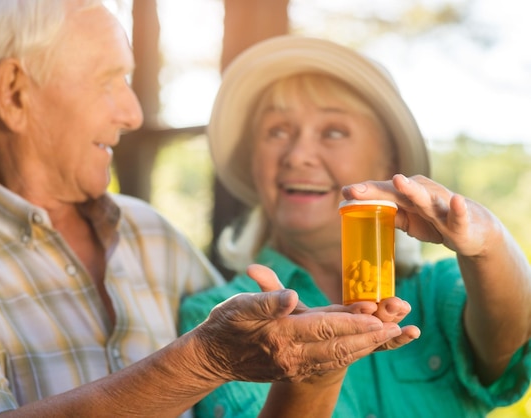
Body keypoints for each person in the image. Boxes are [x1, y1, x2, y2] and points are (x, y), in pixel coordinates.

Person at [0, 2, 422, 417]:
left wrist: (312, 368)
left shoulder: (150, 233)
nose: (131, 112)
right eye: (108, 81)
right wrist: (205, 359)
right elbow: (214, 353)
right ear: (14, 93)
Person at [179, 35, 531, 418]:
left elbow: (507, 345)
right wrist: (312, 380)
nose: (297, 155)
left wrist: (489, 241)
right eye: (277, 131)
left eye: (333, 132)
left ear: (388, 161)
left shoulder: (439, 292)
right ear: (253, 161)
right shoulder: (218, 318)